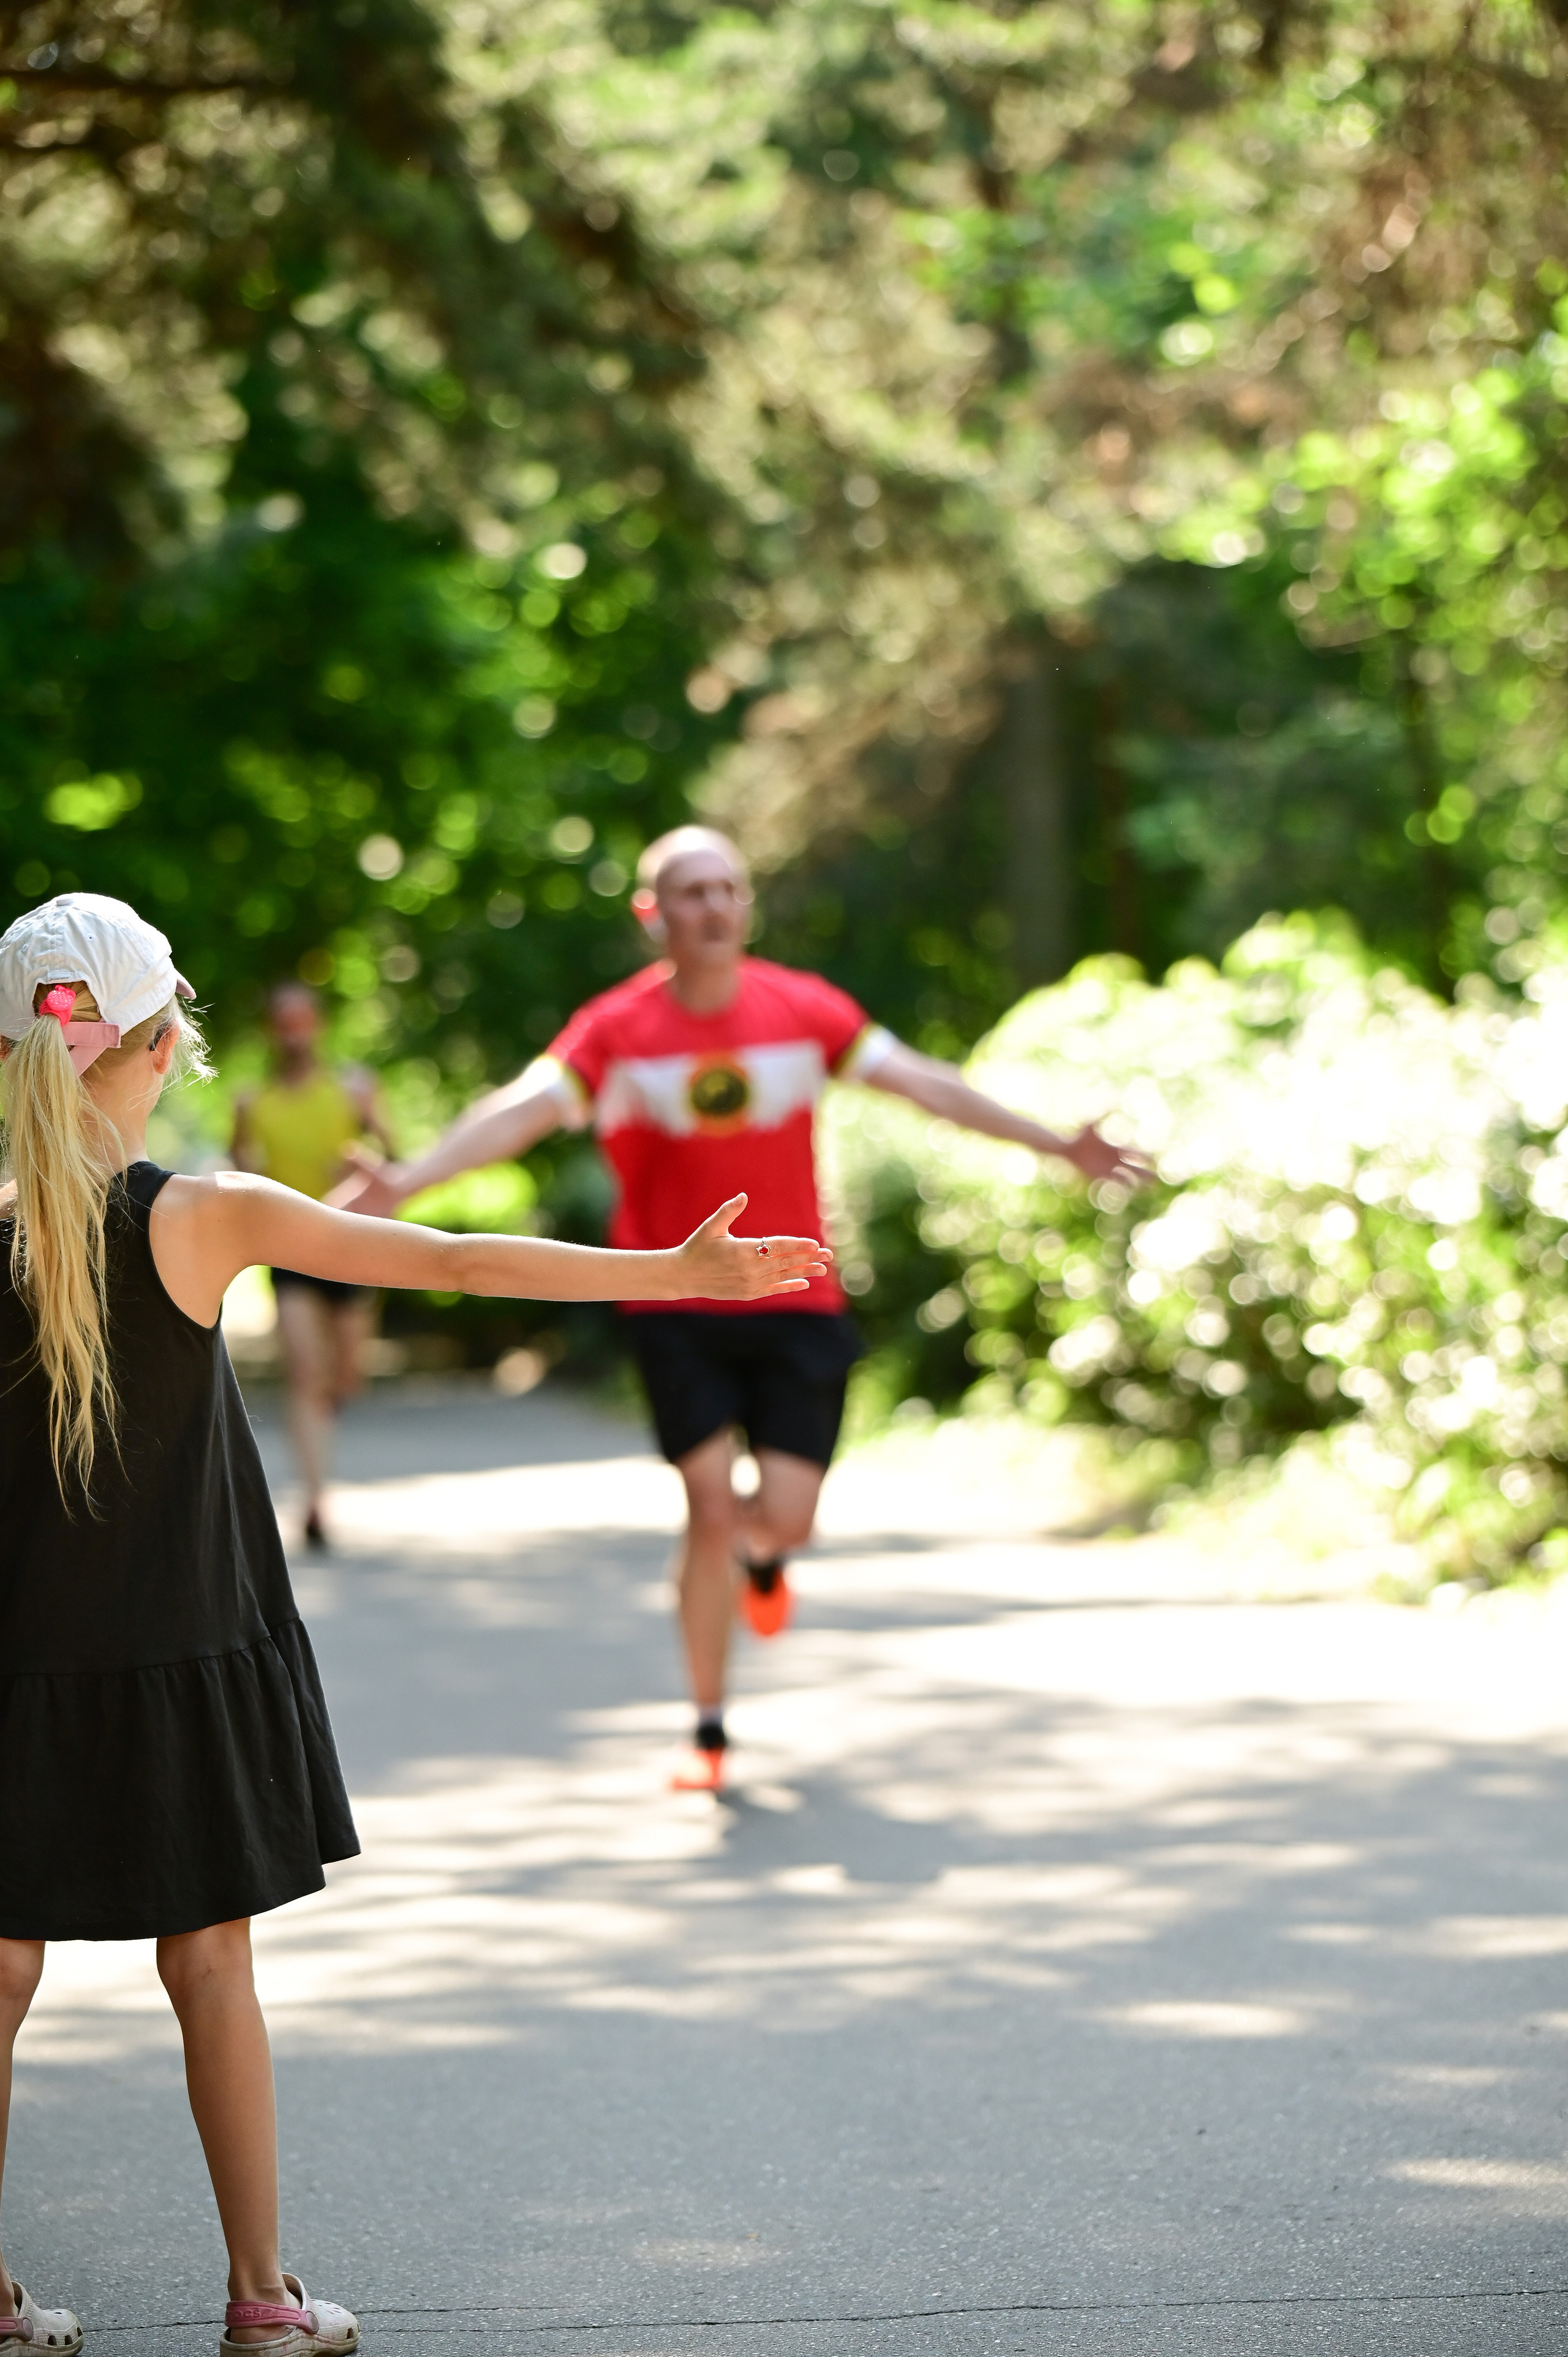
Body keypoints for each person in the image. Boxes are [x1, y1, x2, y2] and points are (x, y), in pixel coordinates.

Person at [0, 891, 825, 2355]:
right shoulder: (199, 1215)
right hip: (183, 1654)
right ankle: (262, 2296)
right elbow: (455, 1259)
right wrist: (673, 1275)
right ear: (156, 1041)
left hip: (14, 1672)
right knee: (211, 1964)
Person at [335, 826, 1148, 1791]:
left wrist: (1058, 1143)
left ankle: (769, 1561)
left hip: (795, 1289)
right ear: (653, 914)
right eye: (690, 892)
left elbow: (927, 1084)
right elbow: (519, 1108)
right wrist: (412, 1180)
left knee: (785, 1517)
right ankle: (710, 1727)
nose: (714, 906)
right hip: (673, 1294)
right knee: (710, 1504)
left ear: (746, 906)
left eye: (729, 888)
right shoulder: (616, 1031)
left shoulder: (803, 1010)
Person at [231, 985, 396, 1548]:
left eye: (304, 1020)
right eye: (285, 1022)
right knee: (305, 1372)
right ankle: (315, 1499)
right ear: (271, 1031)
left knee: (345, 1375)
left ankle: (334, 1401)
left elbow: (392, 1163)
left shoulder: (353, 1089)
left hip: (350, 1245)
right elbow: (239, 1172)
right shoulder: (254, 1104)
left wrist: (363, 1163)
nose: (295, 1031)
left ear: (318, 1025)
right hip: (292, 1249)